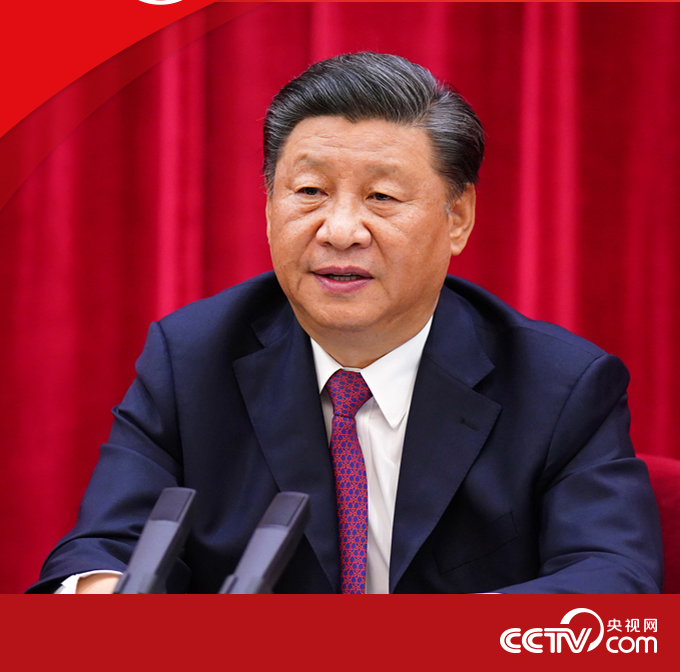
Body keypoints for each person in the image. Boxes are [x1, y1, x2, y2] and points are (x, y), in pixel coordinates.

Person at [28, 52, 663, 594]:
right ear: (268, 206)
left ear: (458, 218)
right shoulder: (190, 359)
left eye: (382, 198)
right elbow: (103, 548)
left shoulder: (559, 386)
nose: (339, 231)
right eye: (309, 192)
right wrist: (105, 597)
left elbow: (613, 577)